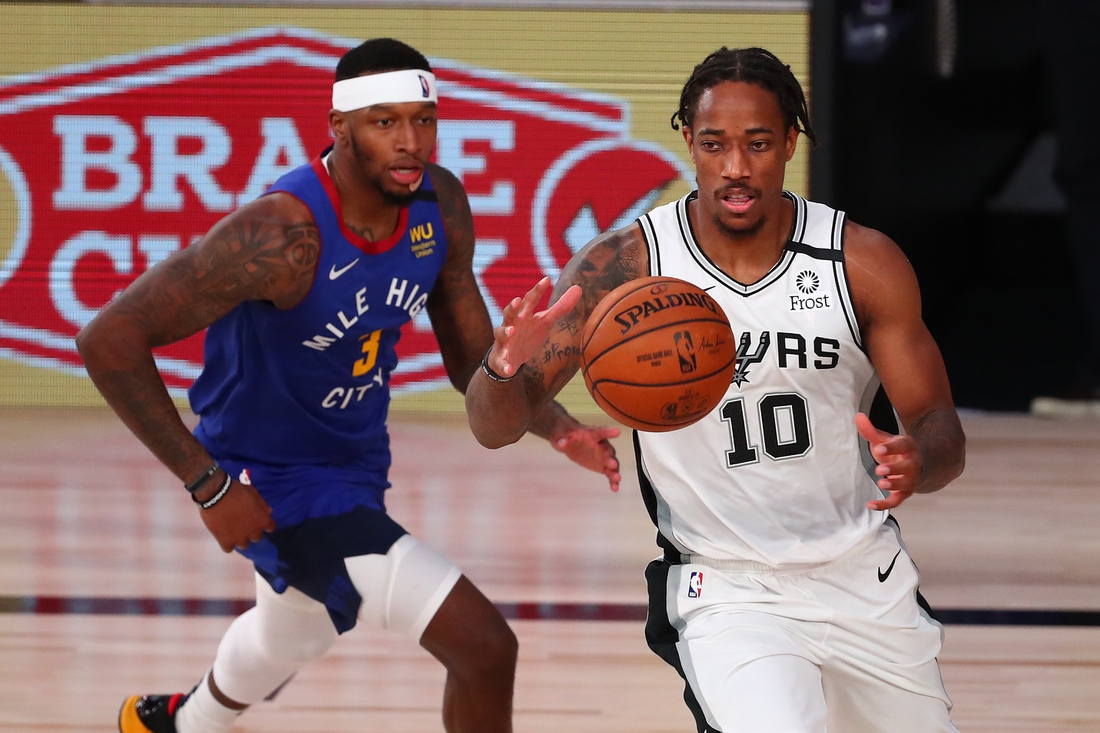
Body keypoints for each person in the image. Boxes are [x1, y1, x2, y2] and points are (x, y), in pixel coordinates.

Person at [76, 37, 620, 733]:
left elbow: (469, 358)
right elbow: (109, 339)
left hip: (353, 460)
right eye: (384, 122)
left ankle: (180, 723)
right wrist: (208, 484)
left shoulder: (438, 204)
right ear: (340, 127)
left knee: (295, 631)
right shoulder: (279, 235)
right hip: (271, 480)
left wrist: (558, 426)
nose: (409, 142)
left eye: (422, 120)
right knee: (485, 648)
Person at [467, 47, 966, 732]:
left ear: (791, 140)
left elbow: (939, 422)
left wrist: (921, 458)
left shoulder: (862, 262)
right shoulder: (627, 265)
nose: (735, 167)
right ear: (688, 143)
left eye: (758, 144)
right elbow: (493, 425)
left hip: (864, 575)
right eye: (714, 144)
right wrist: (502, 368)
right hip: (727, 588)